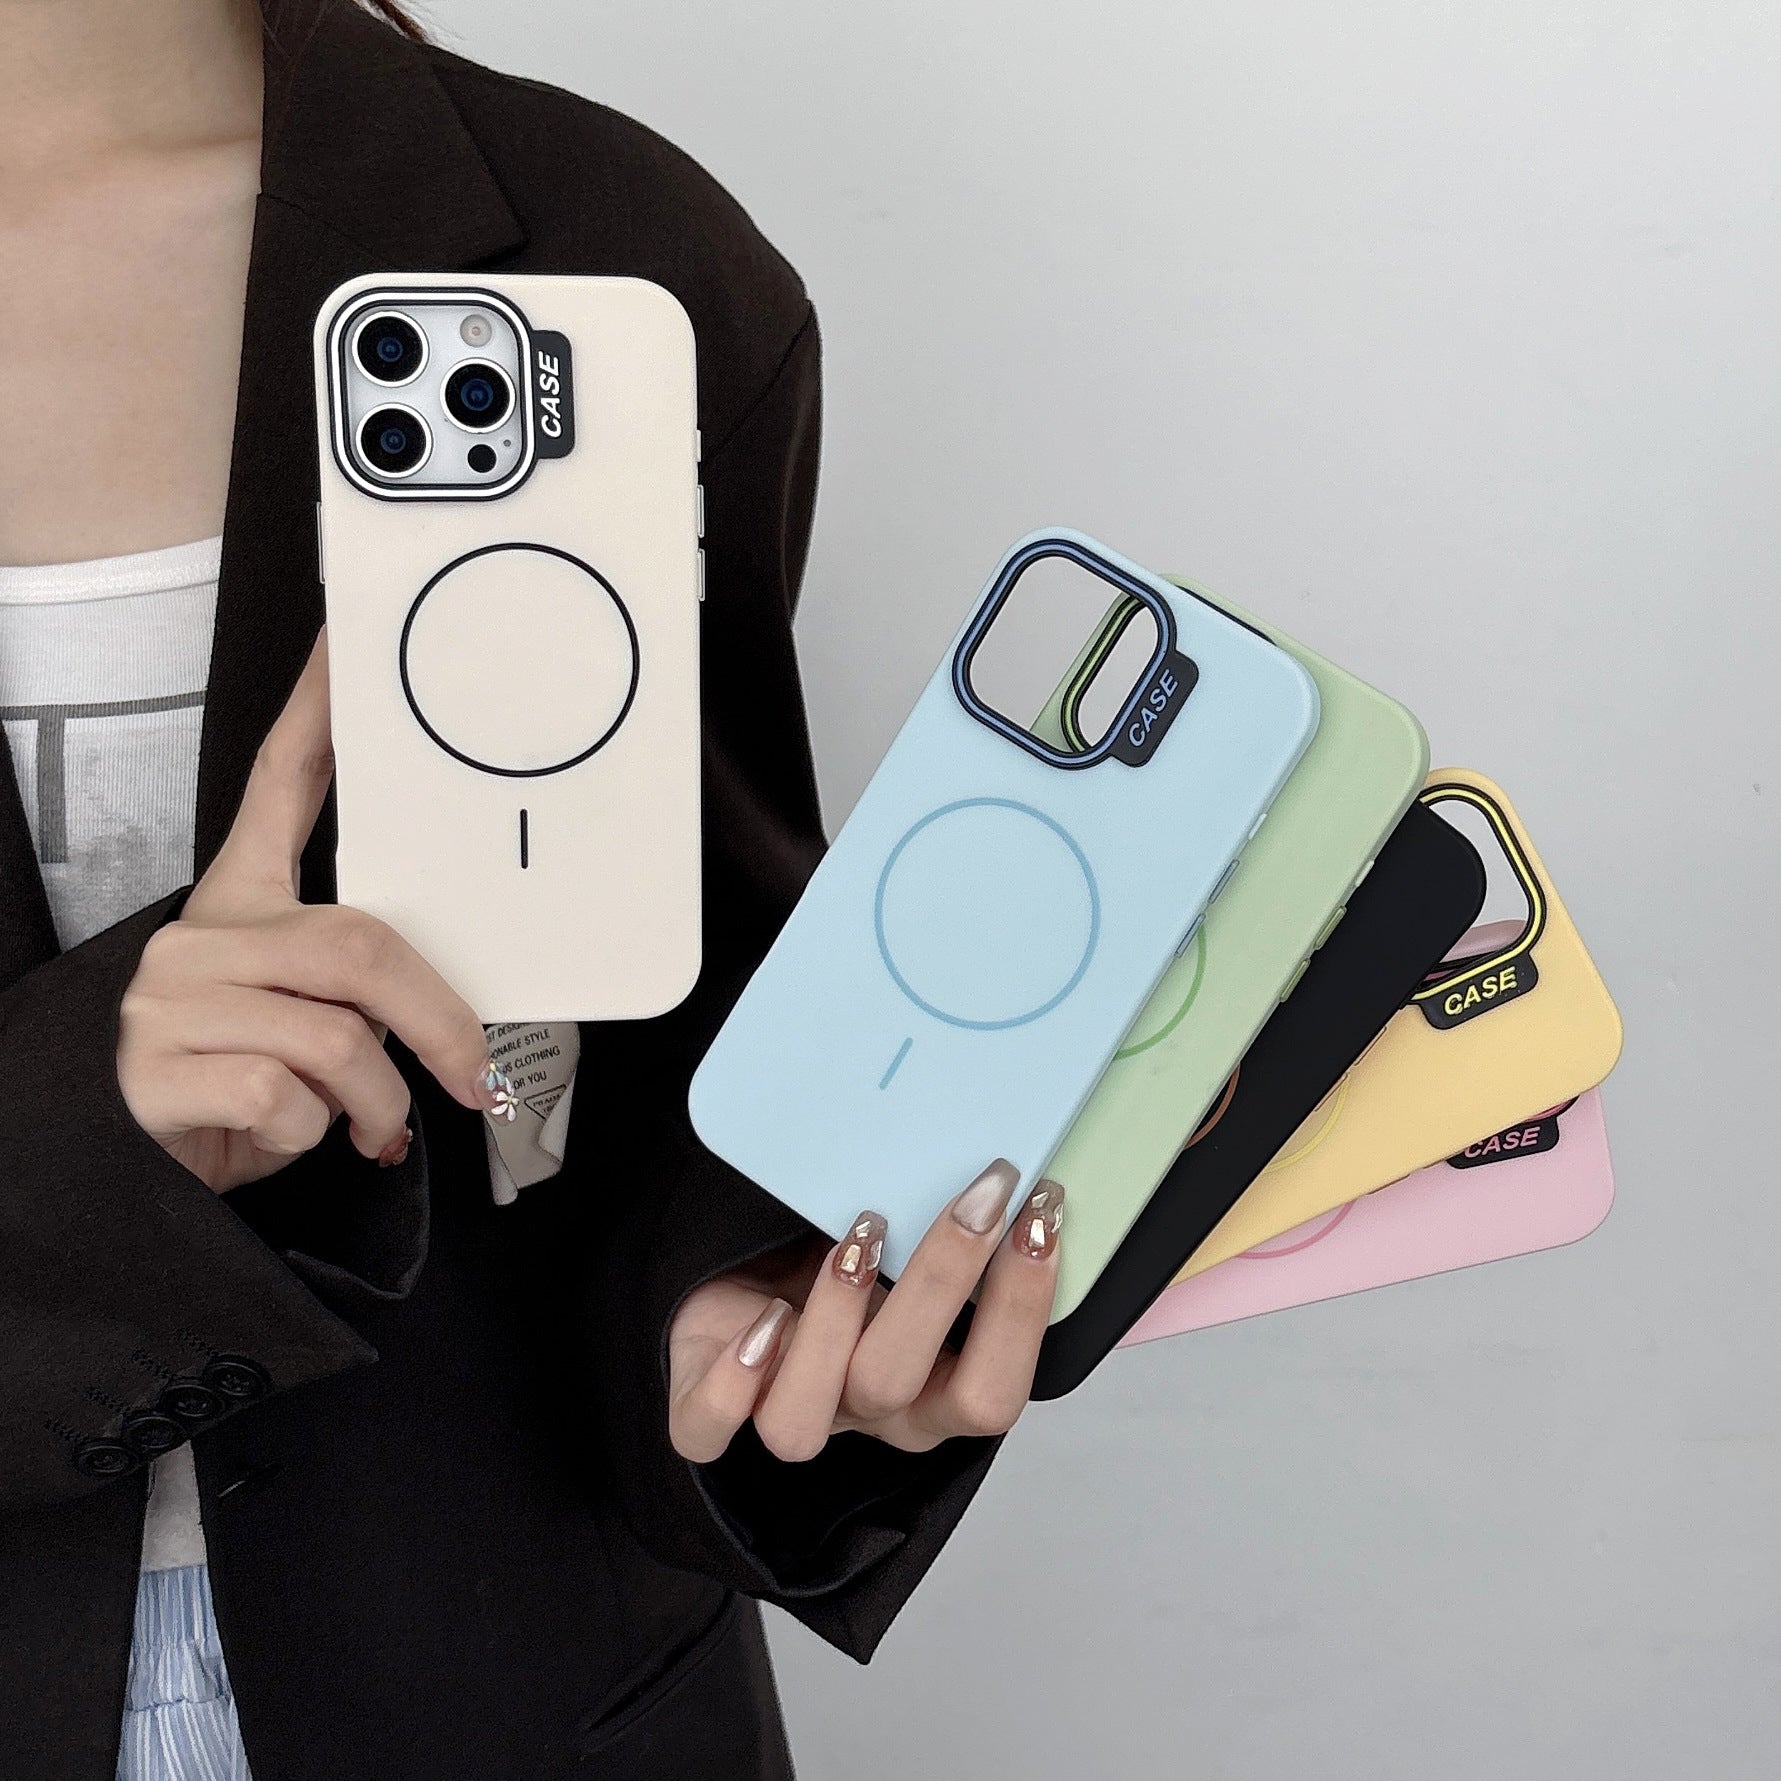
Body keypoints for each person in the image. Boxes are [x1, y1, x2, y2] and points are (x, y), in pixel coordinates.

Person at [0, 3, 1062, 1776]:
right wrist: (76, 1141)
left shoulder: (607, 250)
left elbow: (658, 1077)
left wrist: (741, 1329)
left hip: (515, 1687)